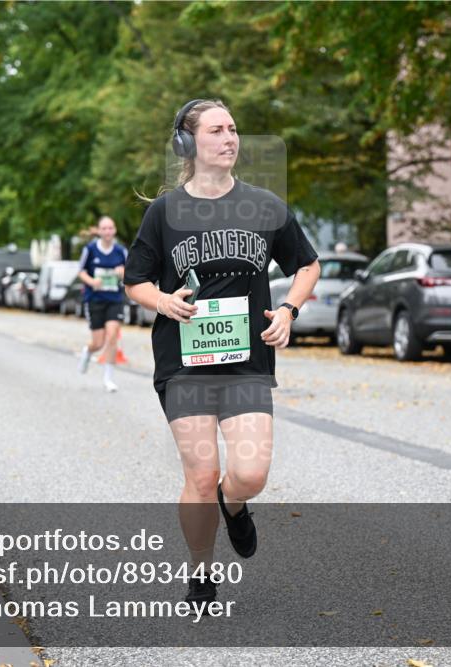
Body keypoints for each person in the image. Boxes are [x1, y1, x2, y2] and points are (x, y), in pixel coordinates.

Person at [123, 99, 319, 606]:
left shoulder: (264, 206)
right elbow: (135, 281)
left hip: (247, 363)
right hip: (184, 364)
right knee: (201, 473)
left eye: (232, 129)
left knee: (249, 474)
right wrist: (163, 301)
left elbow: (307, 265)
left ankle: (233, 505)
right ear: (187, 143)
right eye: (216, 130)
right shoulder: (164, 213)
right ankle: (202, 572)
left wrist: (288, 311)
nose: (229, 138)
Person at [77, 216, 128, 392]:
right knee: (98, 343)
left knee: (112, 337)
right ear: (99, 231)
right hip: (95, 299)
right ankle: (88, 351)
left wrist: (123, 272)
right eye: (104, 228)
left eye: (110, 228)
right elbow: (80, 271)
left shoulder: (121, 251)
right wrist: (92, 281)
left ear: (114, 230)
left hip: (114, 300)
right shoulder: (90, 249)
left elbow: (131, 273)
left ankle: (108, 378)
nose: (107, 231)